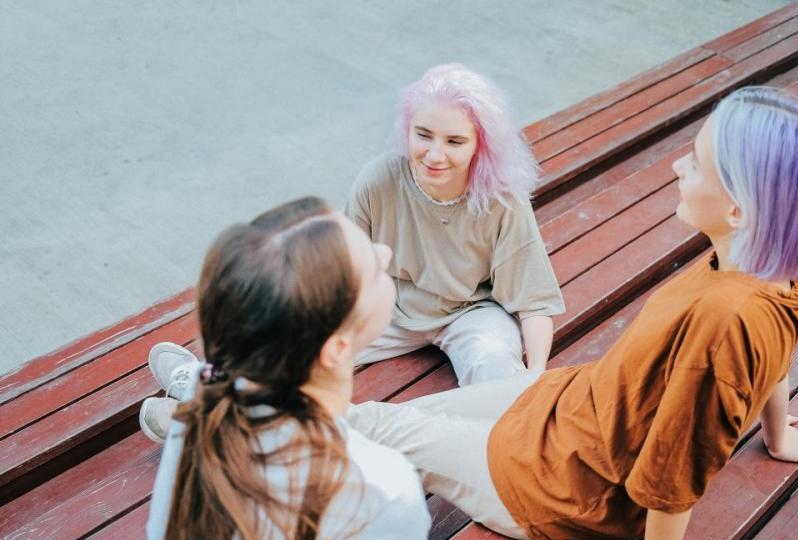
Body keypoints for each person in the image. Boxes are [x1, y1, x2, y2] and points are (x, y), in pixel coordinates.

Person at [346, 86, 798, 540]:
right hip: (568, 405)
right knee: (378, 422)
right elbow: (780, 357)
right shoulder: (780, 268)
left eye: (697, 162)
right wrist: (778, 436)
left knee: (375, 431)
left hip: (557, 486)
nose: (678, 165)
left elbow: (675, 470)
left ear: (737, 208)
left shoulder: (725, 320)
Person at [130, 201, 597, 540]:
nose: (386, 256)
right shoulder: (379, 480)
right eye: (372, 268)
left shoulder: (205, 412)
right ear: (336, 348)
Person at [138, 63, 564, 444]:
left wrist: (534, 377)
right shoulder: (380, 179)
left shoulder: (502, 201)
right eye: (423, 135)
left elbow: (534, 301)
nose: (435, 154)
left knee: (496, 369)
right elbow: (341, 266)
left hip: (472, 310)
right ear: (406, 130)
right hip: (392, 303)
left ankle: (514, 438)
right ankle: (204, 390)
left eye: (455, 141)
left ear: (480, 146)